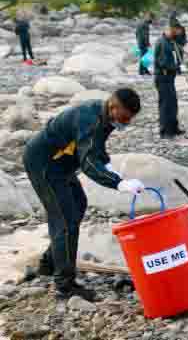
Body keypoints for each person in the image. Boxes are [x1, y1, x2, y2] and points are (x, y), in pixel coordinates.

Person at [23, 89, 146, 300]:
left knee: (78, 204)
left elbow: (95, 148)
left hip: (62, 165)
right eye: (124, 118)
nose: (125, 123)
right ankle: (65, 285)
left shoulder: (105, 115)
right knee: (65, 220)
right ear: (113, 106)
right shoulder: (91, 119)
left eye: (129, 120)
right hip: (44, 164)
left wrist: (109, 166)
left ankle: (48, 264)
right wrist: (118, 183)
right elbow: (88, 163)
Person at [154, 23, 186, 138]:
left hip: (170, 77)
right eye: (177, 32)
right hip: (163, 77)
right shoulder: (162, 43)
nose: (178, 34)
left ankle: (173, 127)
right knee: (165, 104)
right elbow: (163, 63)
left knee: (173, 103)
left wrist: (179, 66)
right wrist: (177, 68)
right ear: (171, 30)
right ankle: (165, 131)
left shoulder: (171, 42)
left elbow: (178, 52)